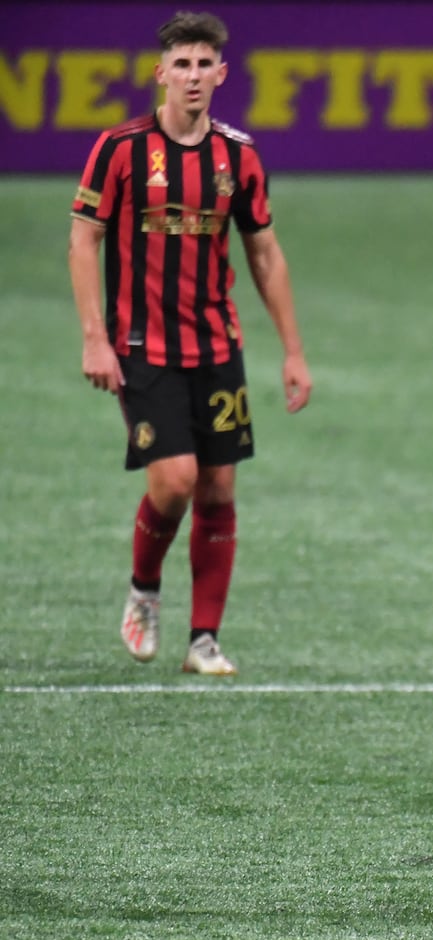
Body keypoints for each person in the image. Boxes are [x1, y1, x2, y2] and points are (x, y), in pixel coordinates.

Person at [69, 11, 312, 676]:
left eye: (205, 64)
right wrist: (95, 338)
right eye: (182, 64)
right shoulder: (120, 149)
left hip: (216, 346)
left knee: (219, 489)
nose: (194, 76)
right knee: (175, 482)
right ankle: (145, 589)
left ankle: (204, 639)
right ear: (161, 72)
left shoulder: (239, 155)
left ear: (222, 73)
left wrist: (292, 350)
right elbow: (83, 239)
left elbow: (264, 252)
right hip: (142, 346)